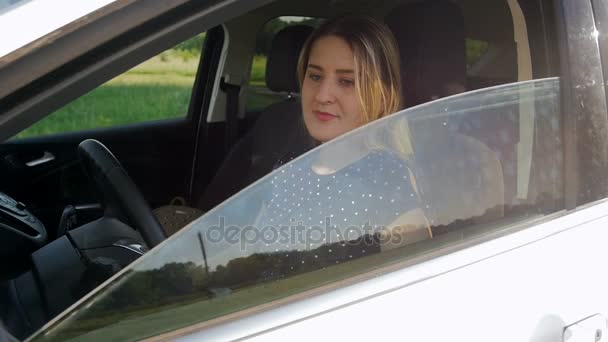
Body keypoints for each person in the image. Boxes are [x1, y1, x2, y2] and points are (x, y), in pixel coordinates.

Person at [252, 16, 432, 257]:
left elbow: (409, 283)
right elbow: (250, 255)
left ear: (382, 95)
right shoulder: (287, 167)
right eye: (315, 76)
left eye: (346, 81)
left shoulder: (389, 179)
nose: (323, 95)